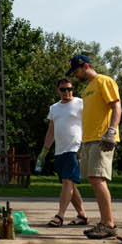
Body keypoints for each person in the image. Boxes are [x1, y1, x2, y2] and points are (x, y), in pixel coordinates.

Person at [70, 53, 122, 239]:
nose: (74, 75)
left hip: (102, 138)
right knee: (93, 179)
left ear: (85, 66)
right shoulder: (88, 89)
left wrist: (112, 131)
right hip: (89, 139)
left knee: (98, 179)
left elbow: (116, 106)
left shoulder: (104, 81)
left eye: (75, 70)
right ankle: (104, 222)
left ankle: (108, 224)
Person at [38, 77, 90, 227]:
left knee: (67, 182)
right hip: (60, 151)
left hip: (75, 149)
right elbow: (51, 131)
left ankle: (60, 216)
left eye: (69, 89)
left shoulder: (80, 103)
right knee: (70, 184)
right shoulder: (54, 108)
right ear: (58, 90)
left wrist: (84, 145)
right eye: (63, 89)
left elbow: (89, 123)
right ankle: (82, 215)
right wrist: (44, 152)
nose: (67, 92)